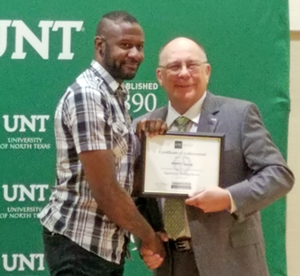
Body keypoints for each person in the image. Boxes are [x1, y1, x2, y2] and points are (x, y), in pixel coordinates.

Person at [134, 37, 294, 276]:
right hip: (172, 265)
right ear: (159, 76)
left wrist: (228, 197)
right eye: (174, 67)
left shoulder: (239, 115)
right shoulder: (143, 127)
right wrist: (147, 237)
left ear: (207, 71)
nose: (184, 73)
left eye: (192, 65)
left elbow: (279, 175)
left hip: (232, 263)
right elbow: (134, 196)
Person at [38, 11, 165, 276]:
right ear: (100, 46)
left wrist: (146, 142)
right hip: (80, 244)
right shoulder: (89, 95)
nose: (135, 54)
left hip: (103, 246)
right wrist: (149, 237)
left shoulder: (113, 95)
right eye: (125, 45)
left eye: (140, 47)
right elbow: (106, 189)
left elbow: (123, 176)